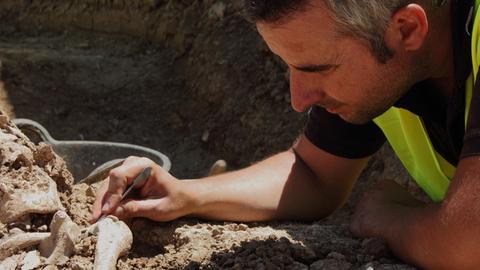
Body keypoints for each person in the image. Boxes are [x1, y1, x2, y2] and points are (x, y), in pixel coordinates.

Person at [91, 0, 480, 268]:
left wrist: (384, 218)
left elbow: (467, 241)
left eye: (317, 69)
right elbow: (312, 172)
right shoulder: (383, 55)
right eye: (290, 68)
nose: (299, 99)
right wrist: (187, 194)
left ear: (407, 28)